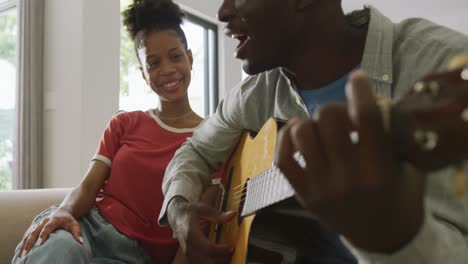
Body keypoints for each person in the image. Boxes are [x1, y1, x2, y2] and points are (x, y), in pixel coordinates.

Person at [159, 0, 468, 263]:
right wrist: (179, 209)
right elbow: (195, 150)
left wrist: (396, 239)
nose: (223, 12)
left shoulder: (443, 65)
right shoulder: (253, 94)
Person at [11, 0, 207, 263]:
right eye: (153, 63)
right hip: (86, 230)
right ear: (143, 74)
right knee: (59, 250)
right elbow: (89, 186)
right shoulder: (125, 123)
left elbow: (197, 223)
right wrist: (64, 211)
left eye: (175, 56)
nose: (167, 70)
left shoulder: (213, 139)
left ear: (190, 58)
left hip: (137, 257)